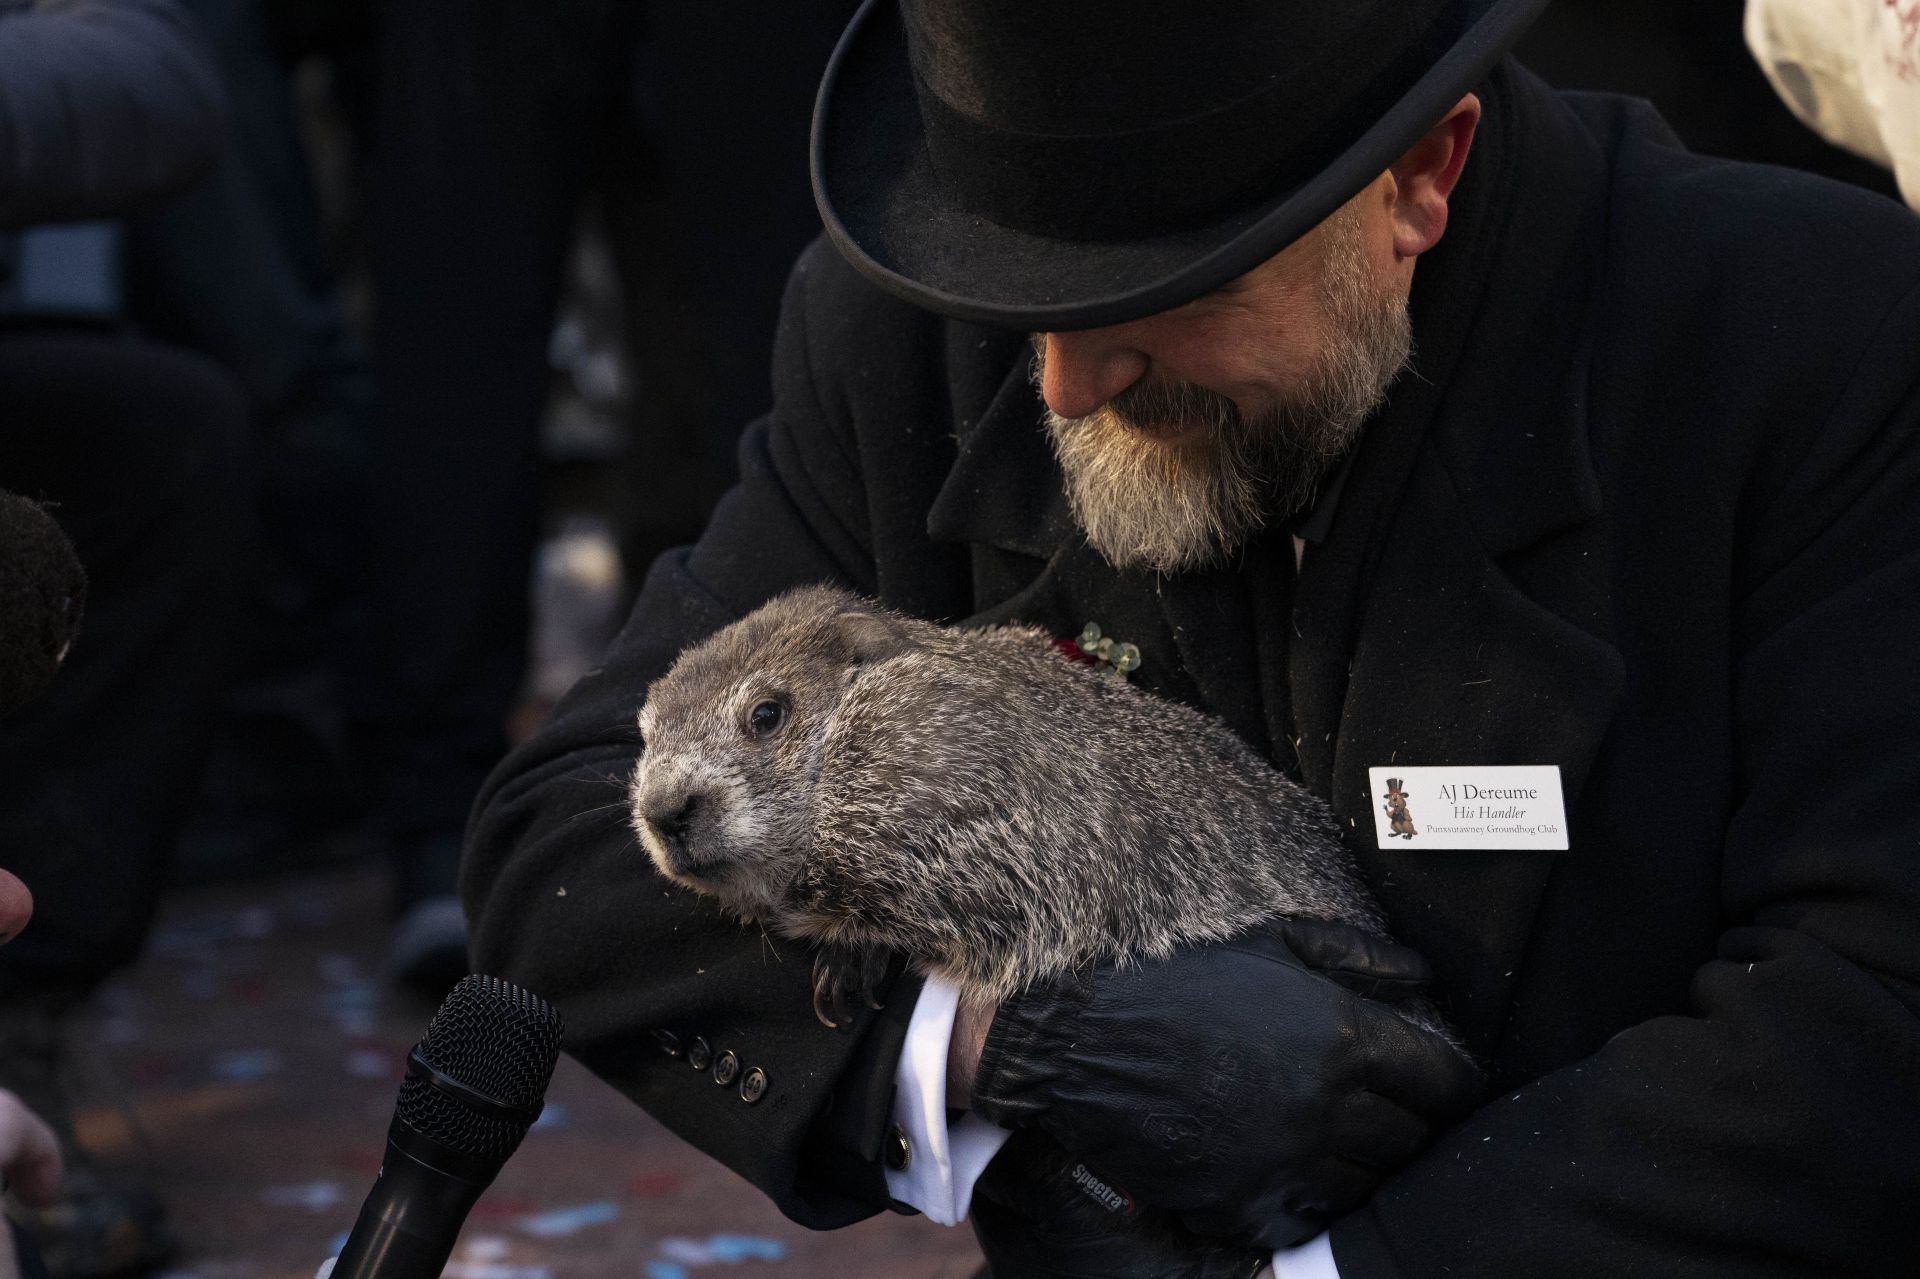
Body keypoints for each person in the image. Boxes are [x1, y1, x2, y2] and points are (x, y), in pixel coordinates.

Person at [461, 0, 1920, 1274]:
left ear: (1421, 177)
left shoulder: (1808, 341)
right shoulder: (899, 327)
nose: (1065, 384)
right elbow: (562, 846)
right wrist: (1005, 1045)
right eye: (1023, 294)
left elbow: (1870, 1005)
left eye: (1165, 289)